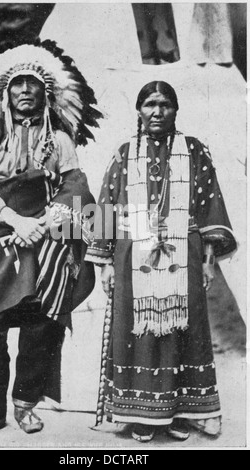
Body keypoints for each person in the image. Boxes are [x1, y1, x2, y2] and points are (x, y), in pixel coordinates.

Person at [0, 41, 101, 442]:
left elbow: (77, 187)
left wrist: (43, 223)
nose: (25, 90)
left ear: (46, 92)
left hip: (47, 243)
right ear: (5, 93)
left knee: (40, 323)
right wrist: (14, 220)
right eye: (17, 83)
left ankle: (25, 404)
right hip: (3, 241)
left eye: (33, 83)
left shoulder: (60, 141)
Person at [85, 81, 237, 442]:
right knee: (137, 332)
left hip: (182, 251)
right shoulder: (124, 154)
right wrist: (105, 263)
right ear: (138, 110)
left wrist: (208, 259)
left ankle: (179, 411)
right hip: (132, 254)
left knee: (182, 332)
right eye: (149, 105)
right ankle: (140, 415)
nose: (157, 112)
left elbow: (208, 205)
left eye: (164, 105)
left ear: (175, 110)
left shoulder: (195, 152)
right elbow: (105, 207)